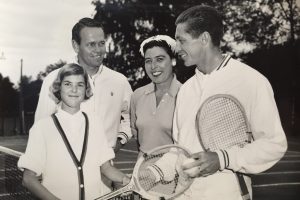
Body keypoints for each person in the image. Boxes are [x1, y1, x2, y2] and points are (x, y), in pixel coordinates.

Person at [170, 5, 287, 200]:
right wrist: (155, 172)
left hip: (226, 193)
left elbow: (274, 144)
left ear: (205, 39)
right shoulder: (186, 90)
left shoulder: (251, 81)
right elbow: (178, 149)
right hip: (183, 194)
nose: (177, 48)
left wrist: (224, 158)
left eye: (181, 40)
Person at [18, 63, 130, 200]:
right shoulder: (42, 128)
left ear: (86, 90)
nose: (74, 90)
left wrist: (126, 180)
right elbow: (28, 179)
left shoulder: (95, 123)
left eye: (80, 85)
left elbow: (106, 168)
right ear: (58, 88)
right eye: (68, 84)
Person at [35, 17, 133, 152]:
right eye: (91, 44)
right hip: (63, 167)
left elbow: (131, 118)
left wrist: (118, 141)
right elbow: (40, 129)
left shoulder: (119, 81)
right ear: (76, 46)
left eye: (101, 43)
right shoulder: (54, 79)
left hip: (104, 168)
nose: (98, 50)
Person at [130, 35, 181, 157]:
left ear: (173, 61)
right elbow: (138, 137)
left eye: (160, 59)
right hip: (142, 171)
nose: (153, 66)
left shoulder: (186, 94)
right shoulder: (137, 95)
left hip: (174, 171)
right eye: (148, 61)